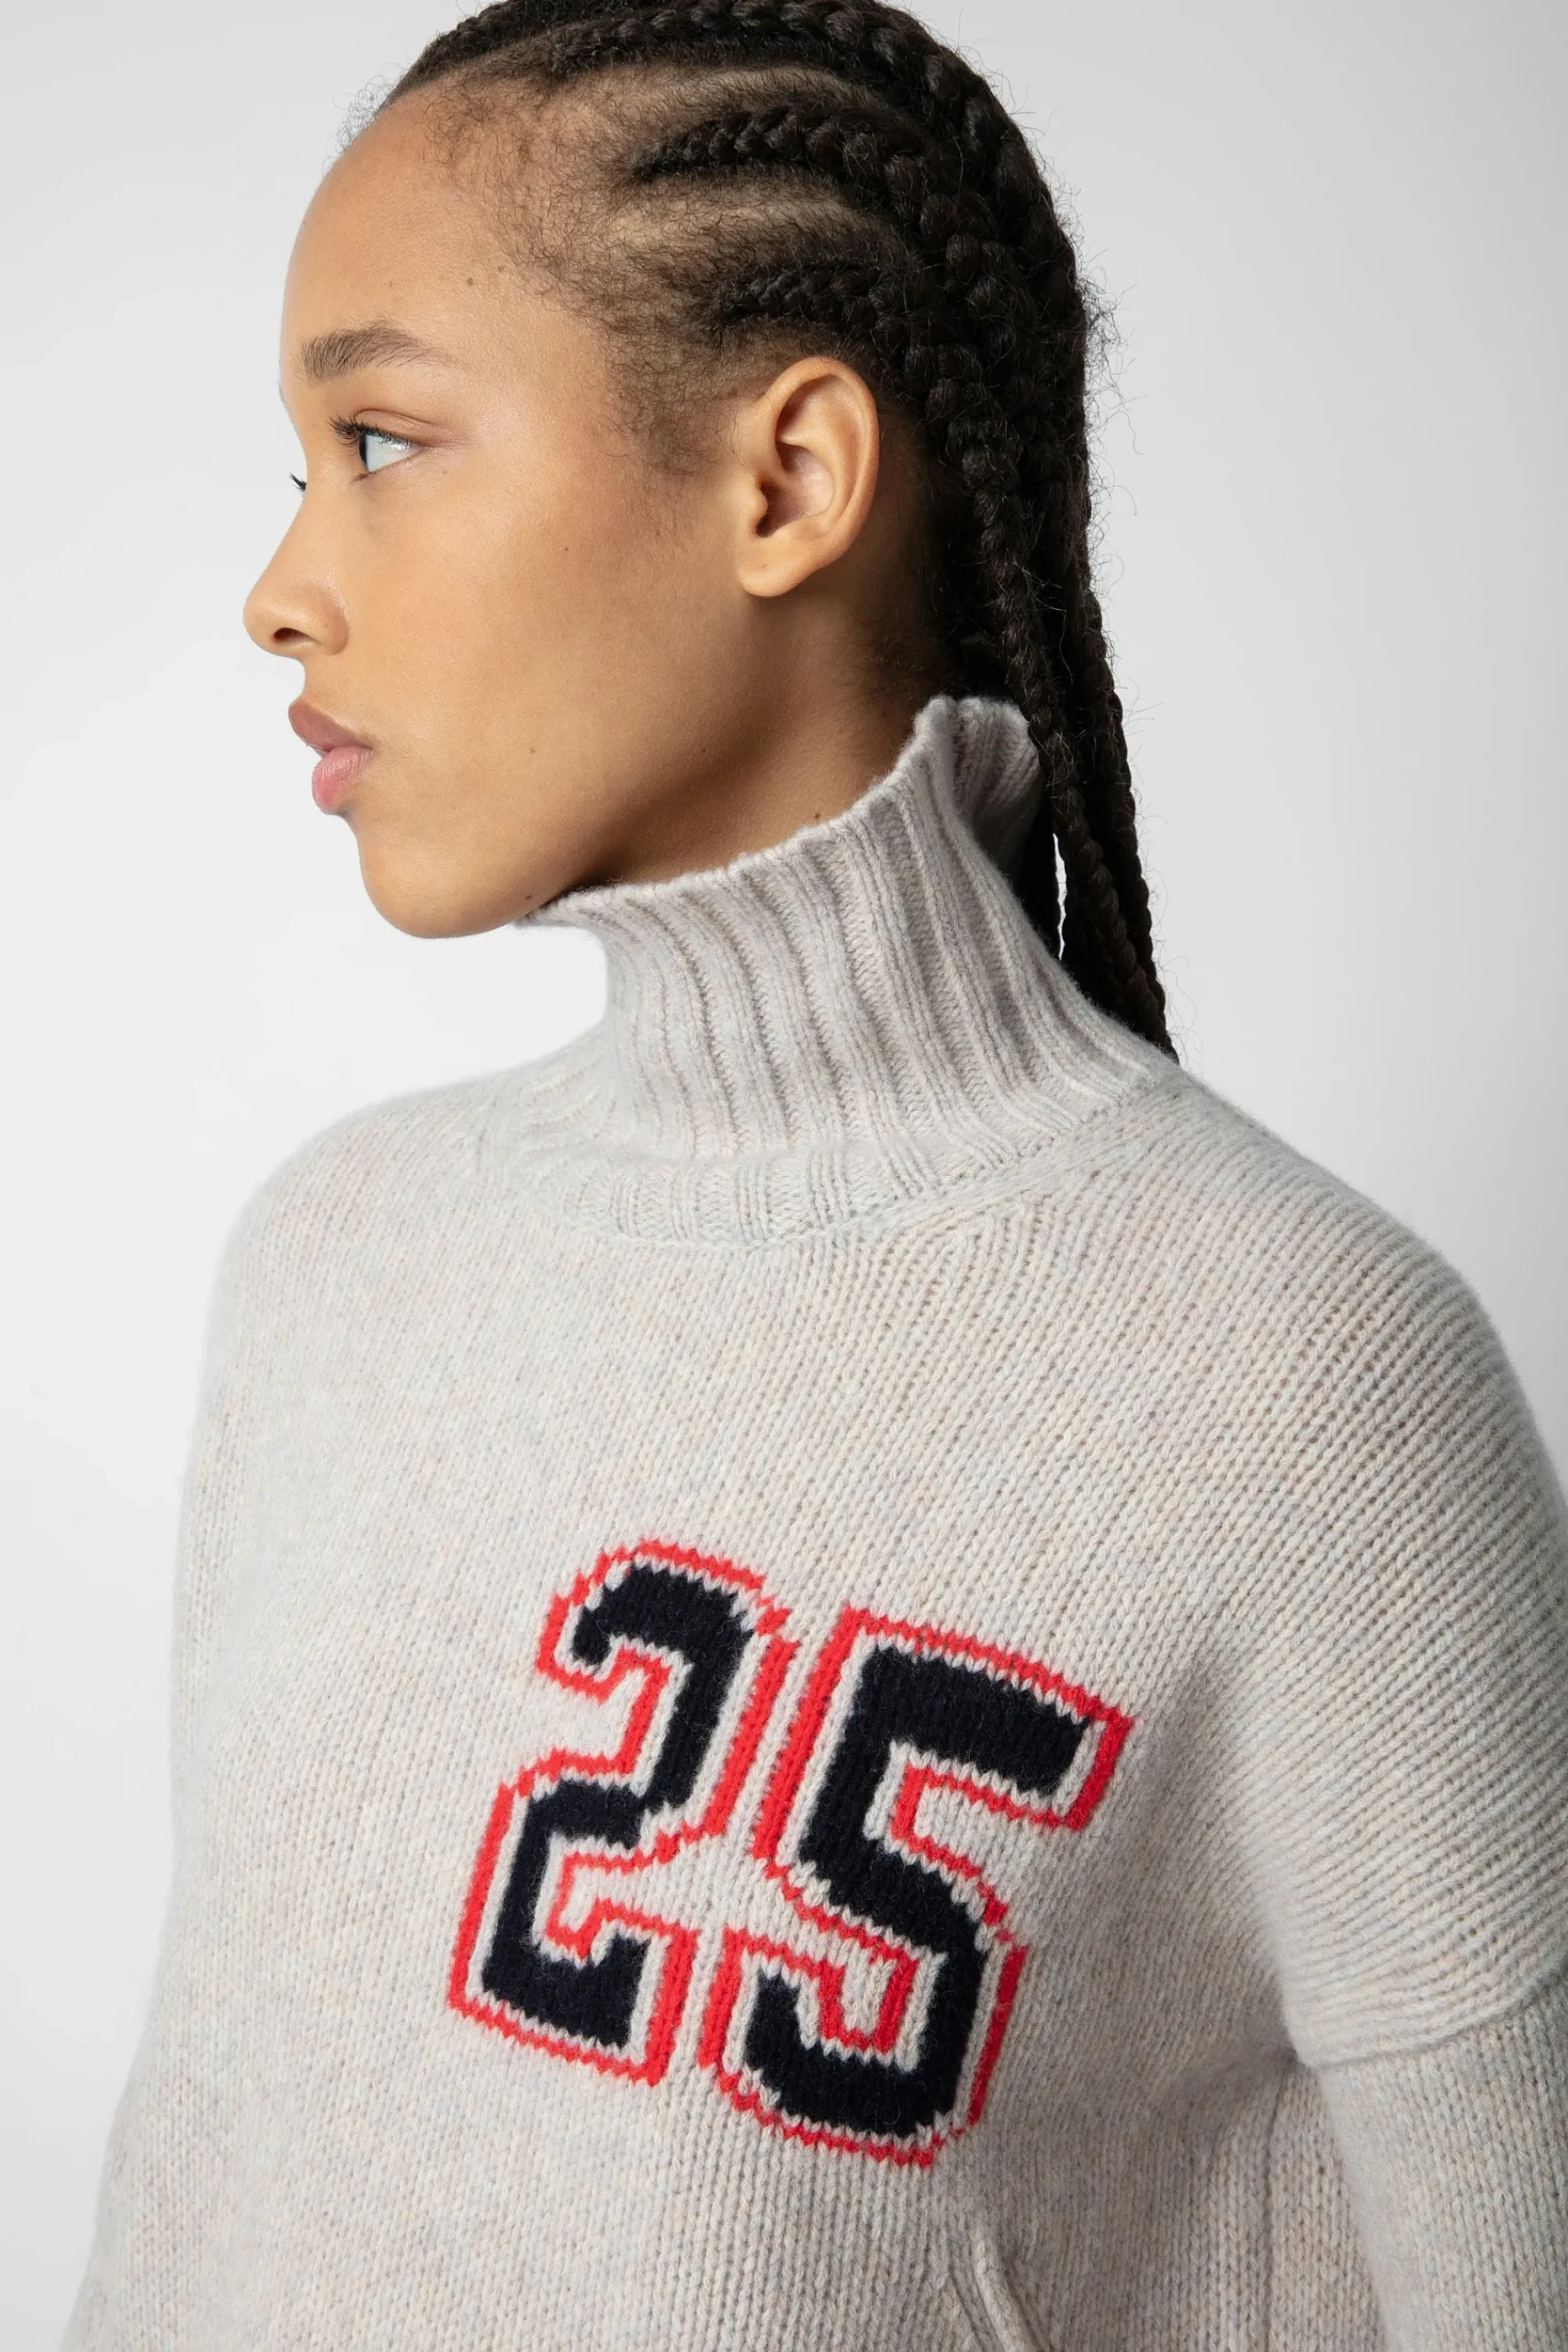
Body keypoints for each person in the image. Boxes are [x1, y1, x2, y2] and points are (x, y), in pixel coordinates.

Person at [66, 5, 1567, 2347]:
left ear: (785, 480)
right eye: (300, 465)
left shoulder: (1307, 1392)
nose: (283, 586)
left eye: (382, 443)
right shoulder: (333, 1260)